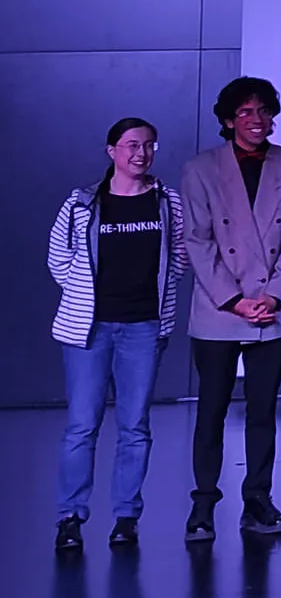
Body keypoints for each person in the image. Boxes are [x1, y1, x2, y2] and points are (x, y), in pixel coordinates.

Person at [181, 77, 281, 540]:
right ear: (227, 120)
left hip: (272, 308)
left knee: (262, 410)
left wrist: (273, 296)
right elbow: (197, 240)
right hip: (220, 308)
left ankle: (257, 498)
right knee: (211, 409)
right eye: (245, 112)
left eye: (263, 111)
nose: (256, 120)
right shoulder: (200, 169)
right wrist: (236, 301)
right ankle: (202, 504)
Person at [49, 119, 188, 551]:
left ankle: (126, 516)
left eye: (149, 145)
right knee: (81, 425)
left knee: (135, 426)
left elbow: (179, 257)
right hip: (89, 330)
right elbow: (58, 259)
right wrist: (84, 298)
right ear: (112, 151)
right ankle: (70, 516)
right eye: (131, 145)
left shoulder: (168, 203)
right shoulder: (82, 202)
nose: (140, 153)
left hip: (144, 327)